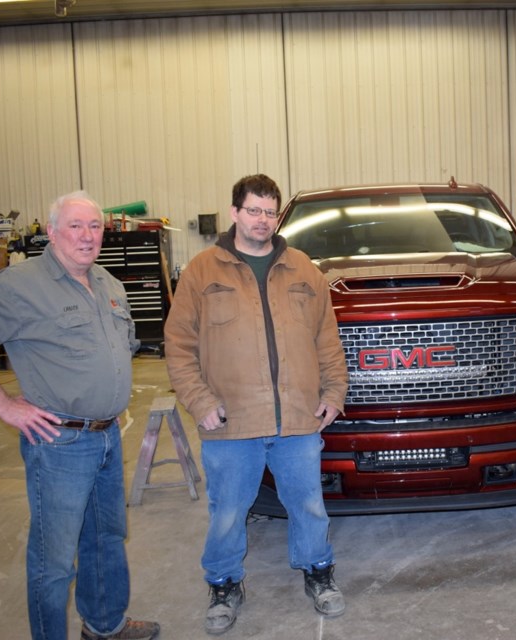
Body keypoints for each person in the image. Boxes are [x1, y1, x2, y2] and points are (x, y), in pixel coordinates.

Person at [0, 192, 159, 640]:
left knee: (106, 541)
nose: (87, 235)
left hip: (107, 437)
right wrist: (5, 405)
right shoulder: (20, 286)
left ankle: (104, 625)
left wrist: (109, 403)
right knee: (53, 561)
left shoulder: (109, 284)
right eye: (75, 226)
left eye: (94, 226)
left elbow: (123, 347)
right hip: (59, 444)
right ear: (52, 232)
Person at [164, 173, 348, 635]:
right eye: (253, 211)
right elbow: (178, 343)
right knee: (227, 509)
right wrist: (198, 400)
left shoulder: (304, 269)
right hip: (230, 420)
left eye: (270, 212)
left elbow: (327, 338)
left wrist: (333, 393)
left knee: (308, 502)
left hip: (297, 416)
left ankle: (318, 571)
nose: (262, 220)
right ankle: (224, 582)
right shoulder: (203, 272)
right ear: (234, 213)